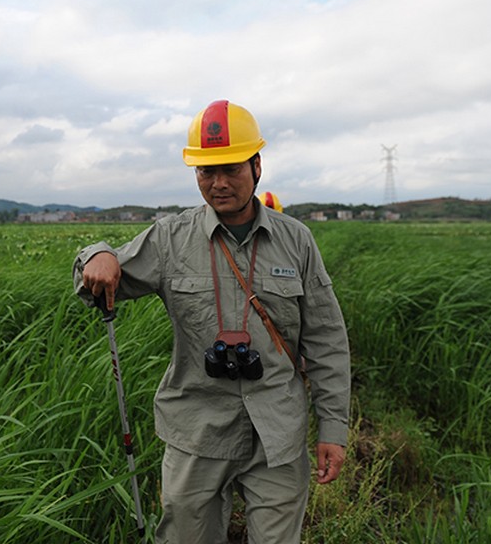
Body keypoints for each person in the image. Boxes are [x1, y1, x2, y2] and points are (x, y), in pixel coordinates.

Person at [73, 100, 350, 543]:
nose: (218, 183)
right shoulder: (169, 238)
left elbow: (327, 339)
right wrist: (98, 256)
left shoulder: (296, 240)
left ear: (257, 165)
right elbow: (97, 280)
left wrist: (333, 427)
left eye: (231, 169)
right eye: (206, 172)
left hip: (277, 432)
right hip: (196, 431)